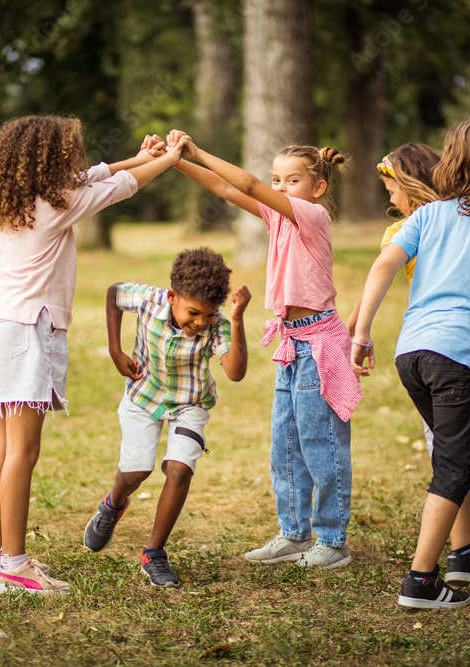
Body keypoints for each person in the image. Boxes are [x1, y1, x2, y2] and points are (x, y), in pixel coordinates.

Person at [0, 115, 185, 595]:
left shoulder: (27, 199)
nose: (77, 161)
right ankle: (14, 567)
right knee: (22, 453)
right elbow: (118, 188)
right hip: (28, 329)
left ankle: (0, 556)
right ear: (48, 160)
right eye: (68, 154)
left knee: (2, 451)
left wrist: (143, 157)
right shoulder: (54, 204)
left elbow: (99, 176)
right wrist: (169, 159)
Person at [351, 115, 470, 609]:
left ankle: (466, 556)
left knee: (450, 455)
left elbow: (383, 265)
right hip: (457, 359)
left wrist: (363, 330)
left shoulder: (425, 217)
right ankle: (419, 581)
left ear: (450, 162)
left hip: (411, 354)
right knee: (458, 466)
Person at [166, 129, 363, 570]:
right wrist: (176, 160)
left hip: (318, 343)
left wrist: (199, 148)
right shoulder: (278, 217)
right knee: (286, 444)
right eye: (277, 179)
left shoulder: (312, 216)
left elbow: (249, 184)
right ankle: (293, 534)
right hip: (292, 343)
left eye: (290, 180)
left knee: (321, 443)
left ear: (317, 187)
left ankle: (333, 541)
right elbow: (223, 186)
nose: (278, 187)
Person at [83, 248, 251, 587]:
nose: (200, 323)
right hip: (143, 396)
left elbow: (235, 372)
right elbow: (114, 293)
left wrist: (235, 319)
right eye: (193, 313)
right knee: (136, 471)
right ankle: (113, 506)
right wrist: (115, 350)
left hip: (190, 404)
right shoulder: (149, 299)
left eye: (208, 314)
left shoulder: (216, 324)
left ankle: (154, 553)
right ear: (172, 297)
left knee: (179, 469)